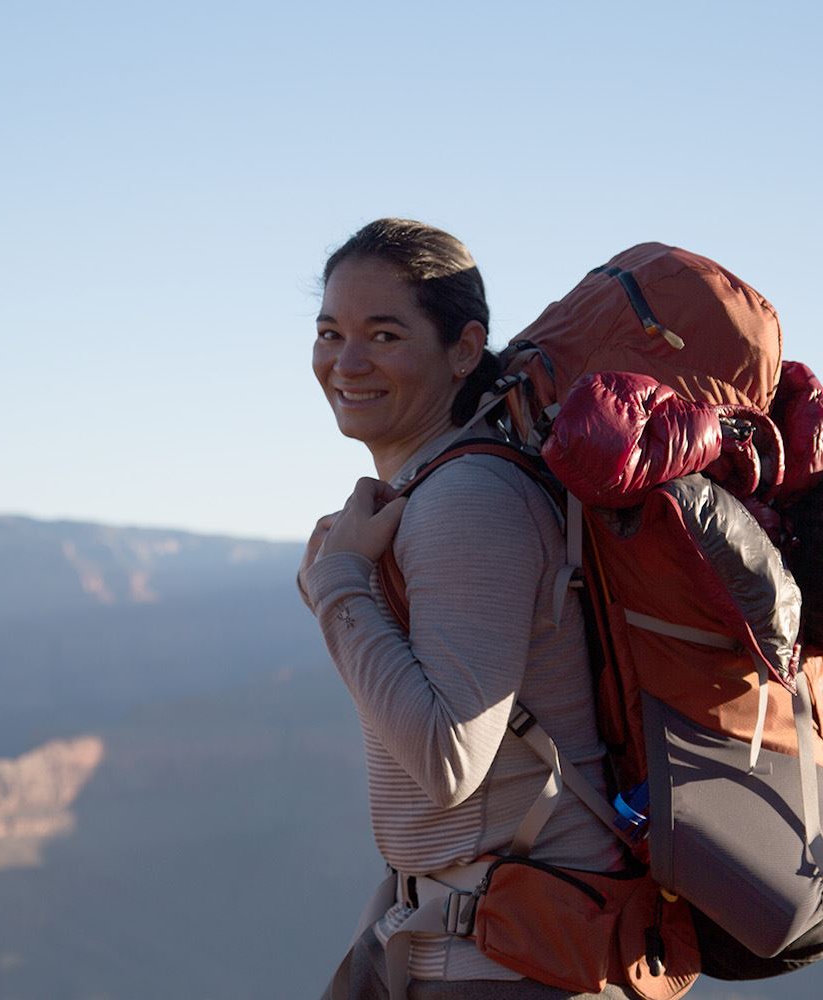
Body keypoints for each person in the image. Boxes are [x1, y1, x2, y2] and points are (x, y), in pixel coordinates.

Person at [299, 219, 625, 999]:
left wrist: (341, 582)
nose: (346, 362)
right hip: (459, 934)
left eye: (384, 334)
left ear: (465, 349)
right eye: (329, 332)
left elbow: (449, 761)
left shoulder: (466, 502)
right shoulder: (434, 489)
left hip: (510, 966)